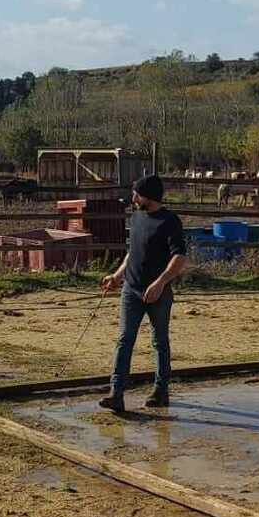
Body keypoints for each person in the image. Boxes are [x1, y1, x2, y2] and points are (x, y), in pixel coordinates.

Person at [98, 173, 188, 411]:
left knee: (159, 341)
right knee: (124, 340)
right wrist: (117, 276)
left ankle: (160, 391)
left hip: (158, 293)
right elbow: (133, 252)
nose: (133, 196)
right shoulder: (137, 217)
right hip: (131, 290)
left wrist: (160, 283)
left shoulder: (169, 221)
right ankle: (116, 392)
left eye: (136, 193)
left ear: (148, 195)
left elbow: (179, 257)